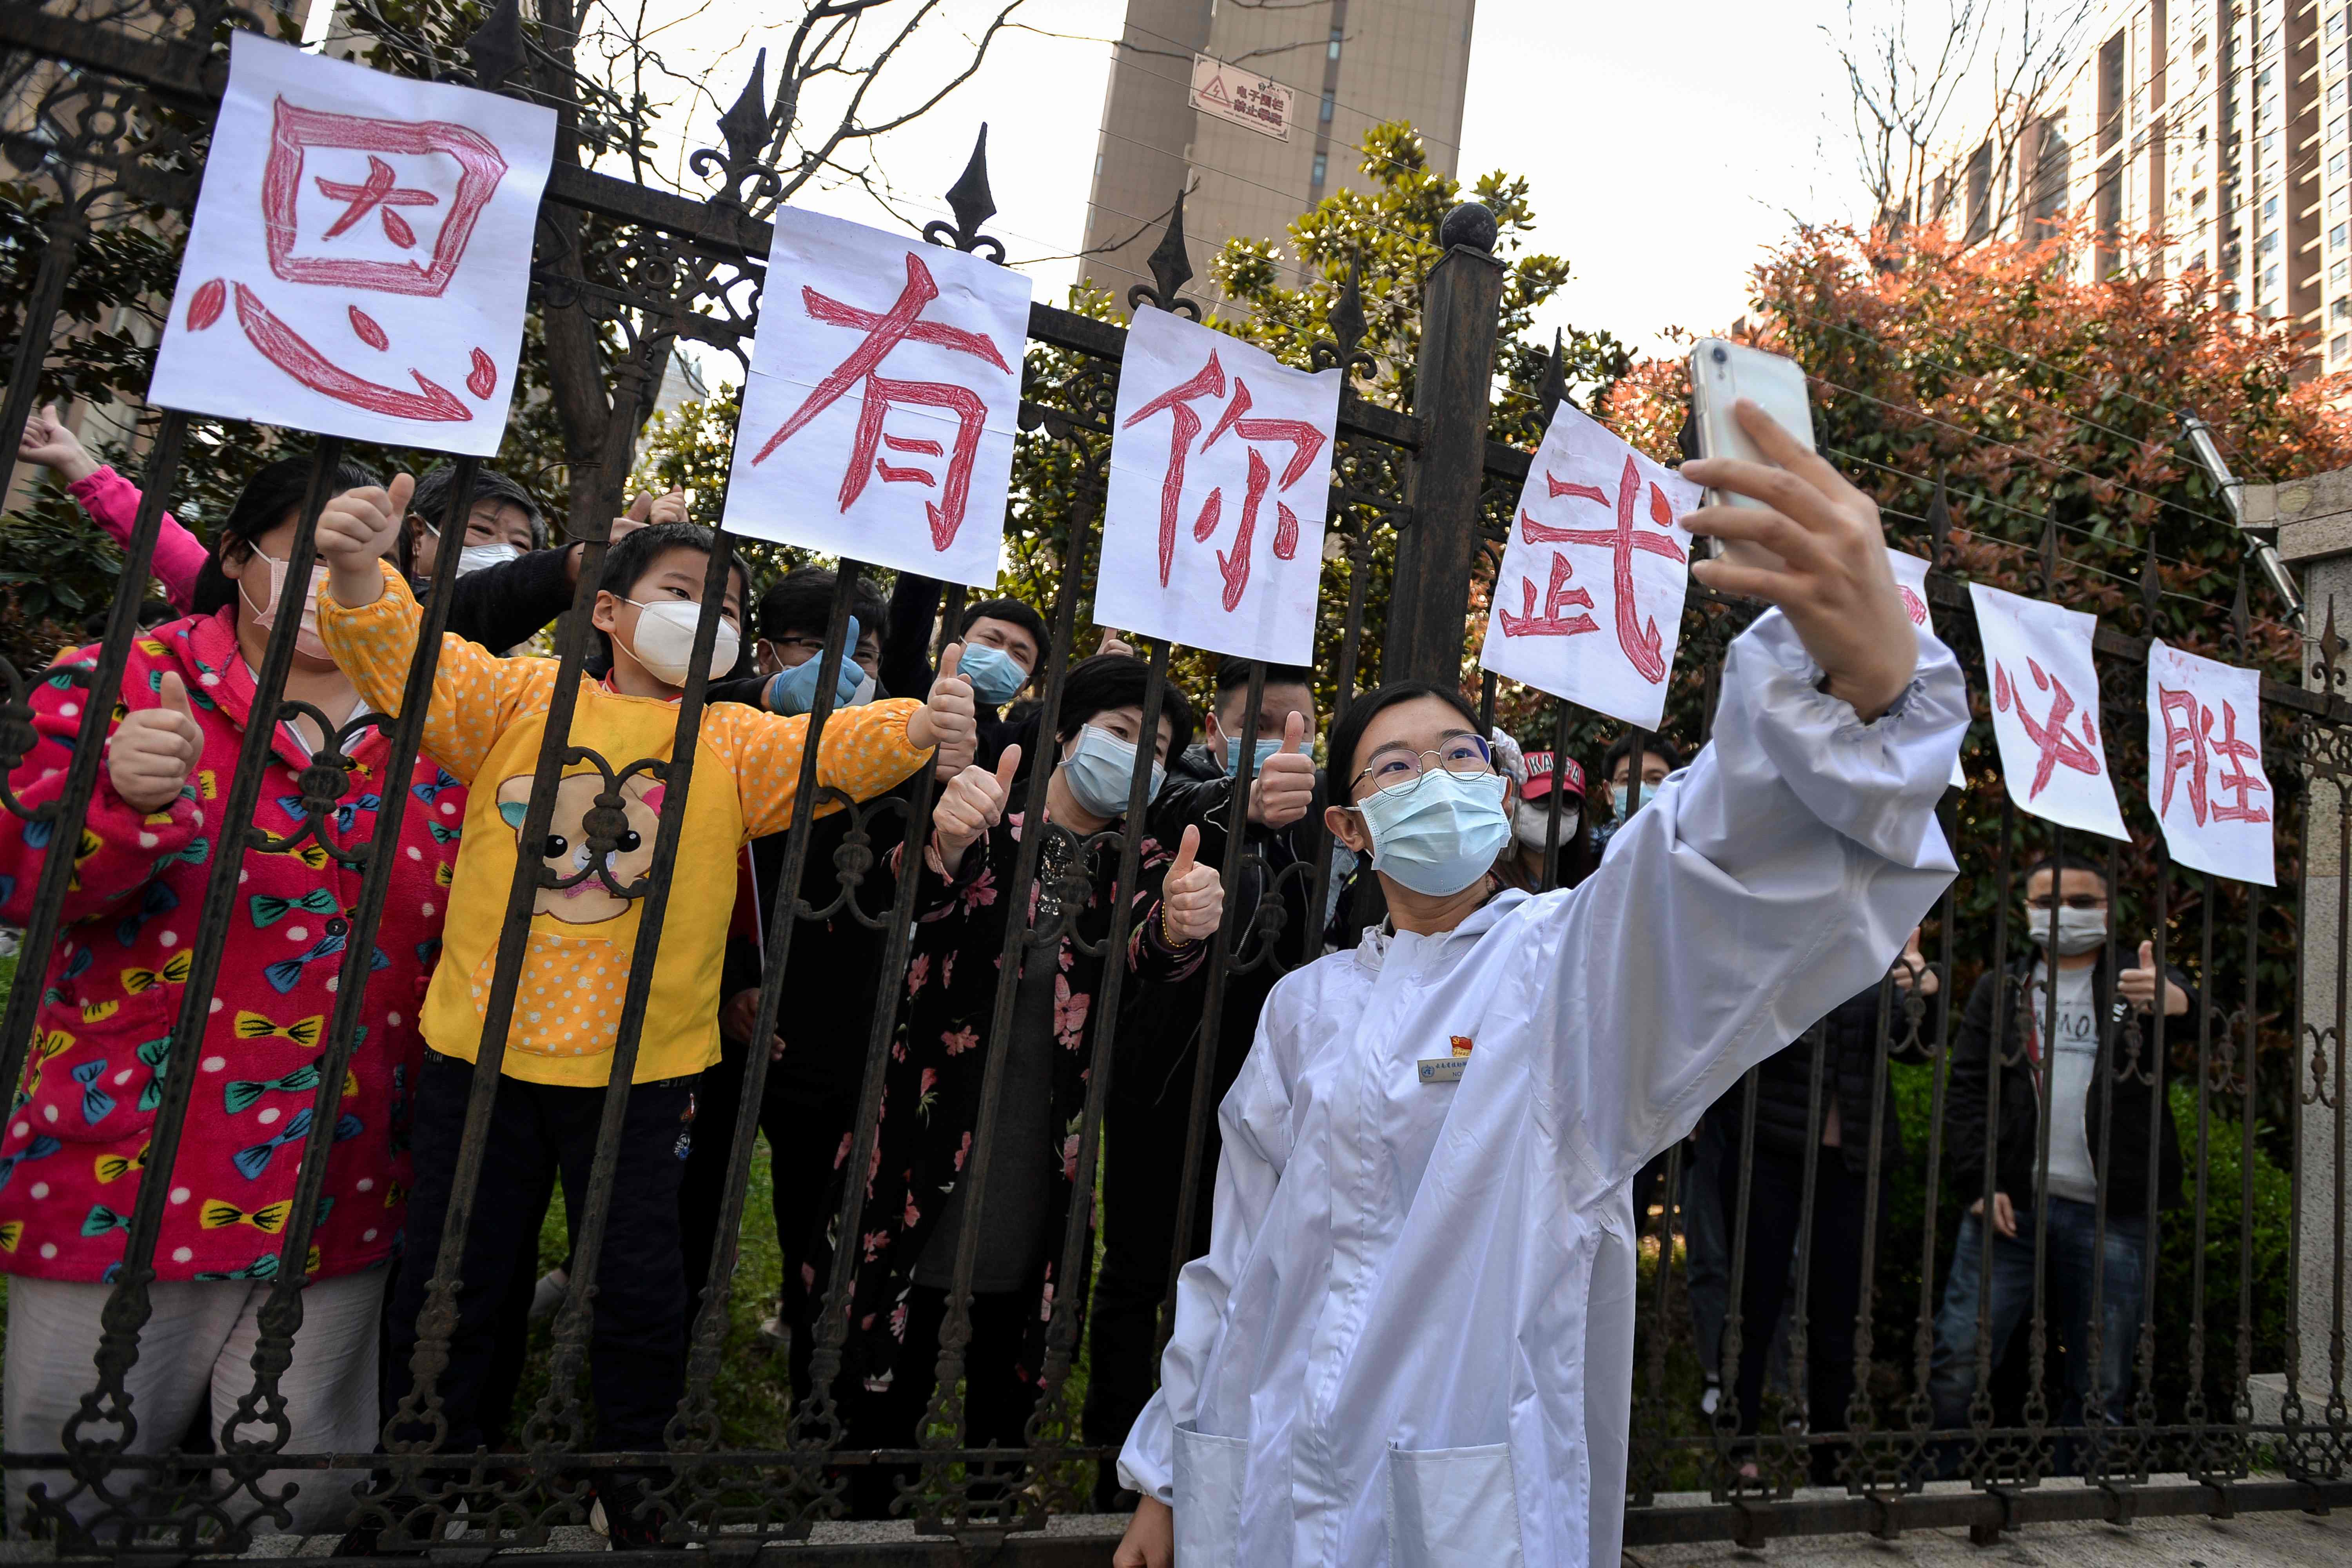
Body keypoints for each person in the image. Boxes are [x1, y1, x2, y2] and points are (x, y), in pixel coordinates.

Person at [1109, 402, 1965, 1568]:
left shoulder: (1561, 966)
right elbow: (1234, 1258)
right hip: (1261, 1483)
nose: (1440, 779)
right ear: (1353, 828)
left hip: (1458, 1497)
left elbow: (1700, 868)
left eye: (1462, 755)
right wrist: (1164, 1474)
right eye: (1398, 766)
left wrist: (1860, 687)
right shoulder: (1305, 1008)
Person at [311, 487, 974, 1546]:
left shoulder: (734, 744)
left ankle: (634, 1480)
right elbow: (412, 661)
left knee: (640, 1295)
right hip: (481, 1060)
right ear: (609, 614)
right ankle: (427, 1479)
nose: (705, 618)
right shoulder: (520, 702)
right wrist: (355, 574)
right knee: (457, 1285)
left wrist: (923, 721)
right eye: (680, 592)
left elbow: (840, 748)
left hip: (645, 1075)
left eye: (727, 608)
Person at [0, 455, 458, 1537]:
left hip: (343, 1177)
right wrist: (121, 799)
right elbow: (25, 881)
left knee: (300, 1497)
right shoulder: (124, 673)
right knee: (66, 1492)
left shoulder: (444, 725)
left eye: (370, 552)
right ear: (239, 557)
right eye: (310, 545)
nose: (339, 568)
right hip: (126, 1168)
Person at [817, 655, 1224, 1520]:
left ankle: (991, 1509)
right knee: (889, 1359)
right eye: (1120, 733)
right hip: (920, 1143)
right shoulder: (984, 806)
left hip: (1037, 1159)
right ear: (1067, 734)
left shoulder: (1138, 862)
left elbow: (1155, 948)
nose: (1137, 756)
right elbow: (910, 891)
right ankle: (859, 1505)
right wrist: (950, 838)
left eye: (1156, 747)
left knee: (1005, 1372)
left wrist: (1183, 926)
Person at [1085, 658, 1321, 1508]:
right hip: (1167, 1082)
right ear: (1218, 736)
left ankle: (1215, 1464)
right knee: (1140, 1271)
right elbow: (1181, 804)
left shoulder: (1324, 821)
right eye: (1261, 730)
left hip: (1279, 1098)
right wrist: (1242, 805)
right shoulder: (1172, 793)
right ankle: (1112, 1463)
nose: (1281, 746)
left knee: (1243, 1279)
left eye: (1299, 727)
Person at [679, 565, 906, 1402]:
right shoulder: (722, 725)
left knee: (820, 1214)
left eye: (866, 652)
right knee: (694, 1200)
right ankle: (674, 1370)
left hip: (834, 1025)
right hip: (720, 1014)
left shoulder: (891, 742)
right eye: (819, 646)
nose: (845, 668)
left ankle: (820, 1391)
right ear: (771, 647)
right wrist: (736, 981)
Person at [15, 401, 675, 653]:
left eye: (351, 550)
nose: (331, 570)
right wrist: (78, 463)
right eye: (314, 549)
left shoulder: (412, 624)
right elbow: (159, 540)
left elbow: (492, 598)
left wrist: (585, 562)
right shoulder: (179, 642)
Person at [1924, 853, 2190, 1456]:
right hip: (2009, 1209)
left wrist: (2180, 1003)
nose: (2061, 914)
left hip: (2112, 1214)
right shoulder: (2003, 988)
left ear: (2108, 910)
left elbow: (2201, 1014)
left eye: (2079, 903)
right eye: (2046, 902)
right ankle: (1934, 1500)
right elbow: (1966, 1089)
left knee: (2101, 1386)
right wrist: (1978, 1180)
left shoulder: (2134, 981)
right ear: (2025, 911)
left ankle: (2080, 1508)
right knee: (1957, 1367)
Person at [1712, 929, 1938, 1483]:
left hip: (1856, 1157)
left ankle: (1829, 1461)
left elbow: (1913, 1053)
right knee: (1754, 1302)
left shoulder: (1887, 939)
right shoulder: (1785, 927)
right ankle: (1738, 1451)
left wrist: (1920, 995)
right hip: (1769, 1147)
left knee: (1838, 1314)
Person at [878, 575, 1051, 770]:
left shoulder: (1011, 747)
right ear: (958, 642)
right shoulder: (910, 680)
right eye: (991, 639)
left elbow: (1077, 708)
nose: (1002, 655)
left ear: (1025, 684)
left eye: (1019, 655)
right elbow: (909, 617)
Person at [1493, 741, 1593, 892]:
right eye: (1541, 799)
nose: (1555, 811)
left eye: (1568, 802)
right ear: (1512, 801)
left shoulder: (1586, 884)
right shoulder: (1489, 884)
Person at [1594, 730, 1682, 852]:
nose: (1641, 789)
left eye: (1656, 779)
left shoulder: (1691, 852)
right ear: (1609, 793)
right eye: (1627, 780)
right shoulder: (1588, 852)